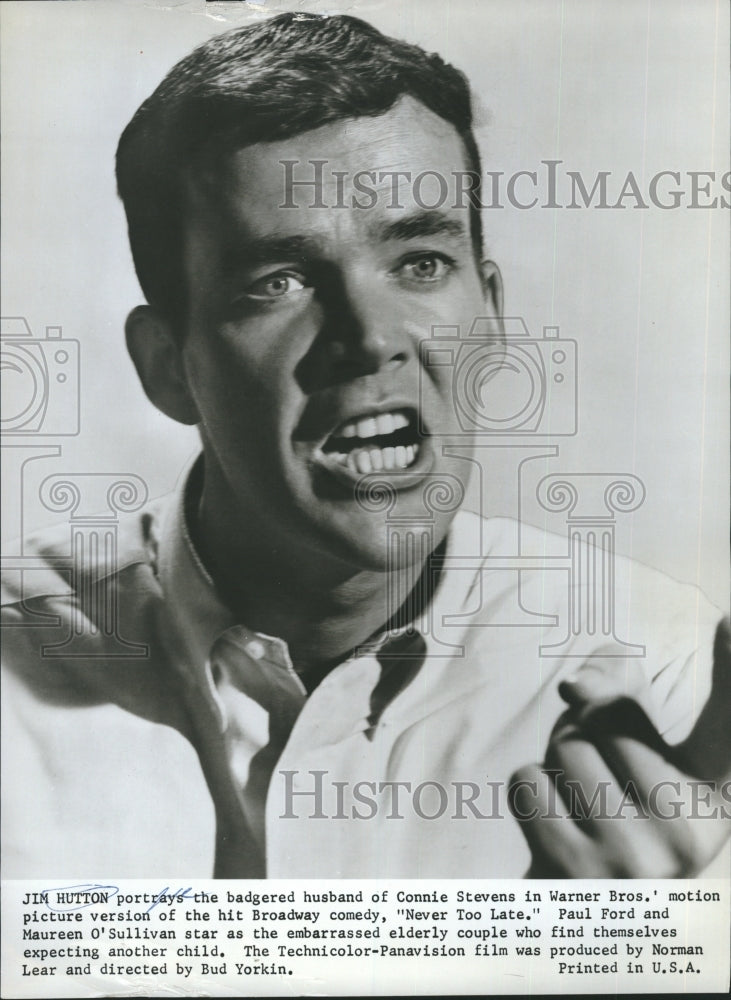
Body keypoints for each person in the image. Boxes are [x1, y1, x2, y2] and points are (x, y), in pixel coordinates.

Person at [1, 12, 728, 879]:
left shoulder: (661, 673)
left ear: (489, 313)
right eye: (278, 281)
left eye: (419, 262)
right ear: (168, 368)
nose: (370, 337)